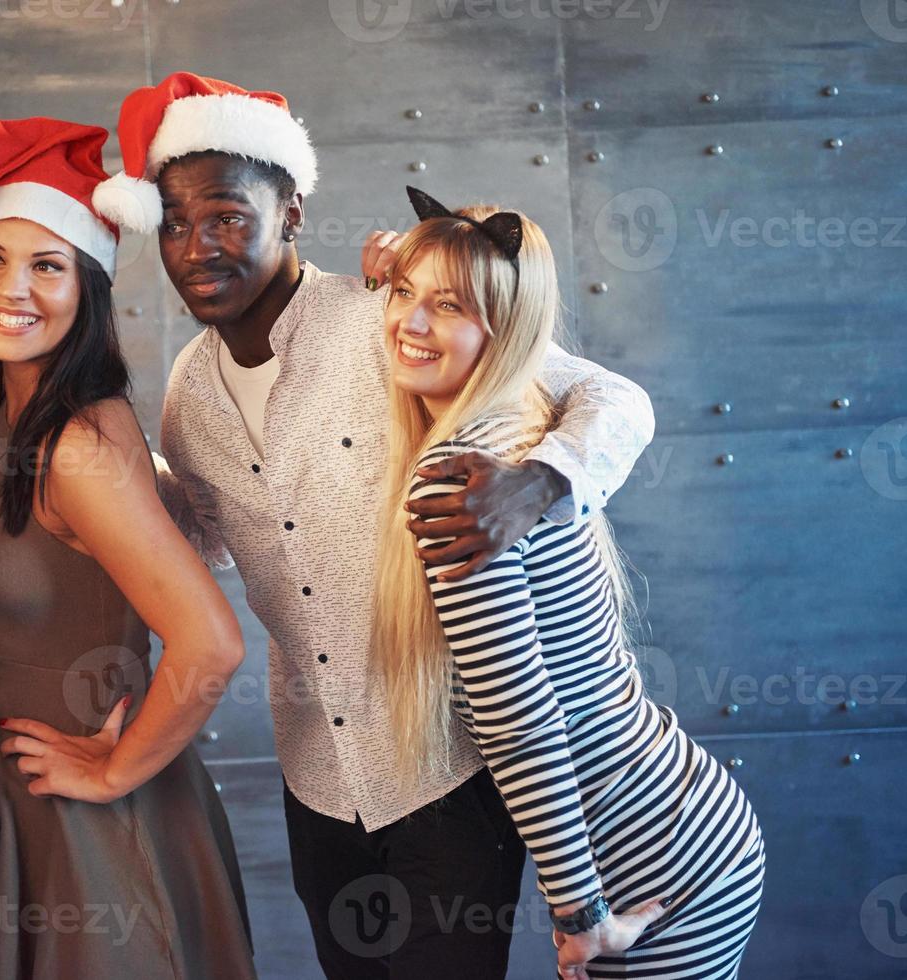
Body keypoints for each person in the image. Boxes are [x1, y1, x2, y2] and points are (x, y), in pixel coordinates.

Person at [91, 71, 659, 978]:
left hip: (444, 771)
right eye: (173, 222)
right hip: (314, 779)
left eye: (228, 216)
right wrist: (101, 466)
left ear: (292, 213)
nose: (197, 247)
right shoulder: (188, 396)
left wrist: (543, 480)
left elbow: (610, 396)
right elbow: (205, 543)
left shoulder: (391, 321)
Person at [373, 187, 765, 979]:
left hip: (651, 867)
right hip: (685, 824)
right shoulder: (525, 418)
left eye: (445, 306)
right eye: (403, 294)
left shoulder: (460, 487)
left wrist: (581, 914)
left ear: (504, 330)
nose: (408, 323)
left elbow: (518, 719)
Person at [0, 116, 257, 979]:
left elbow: (211, 644)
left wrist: (114, 772)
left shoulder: (75, 442)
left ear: (87, 285)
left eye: (47, 265)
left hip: (91, 827)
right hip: (23, 809)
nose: (12, 288)